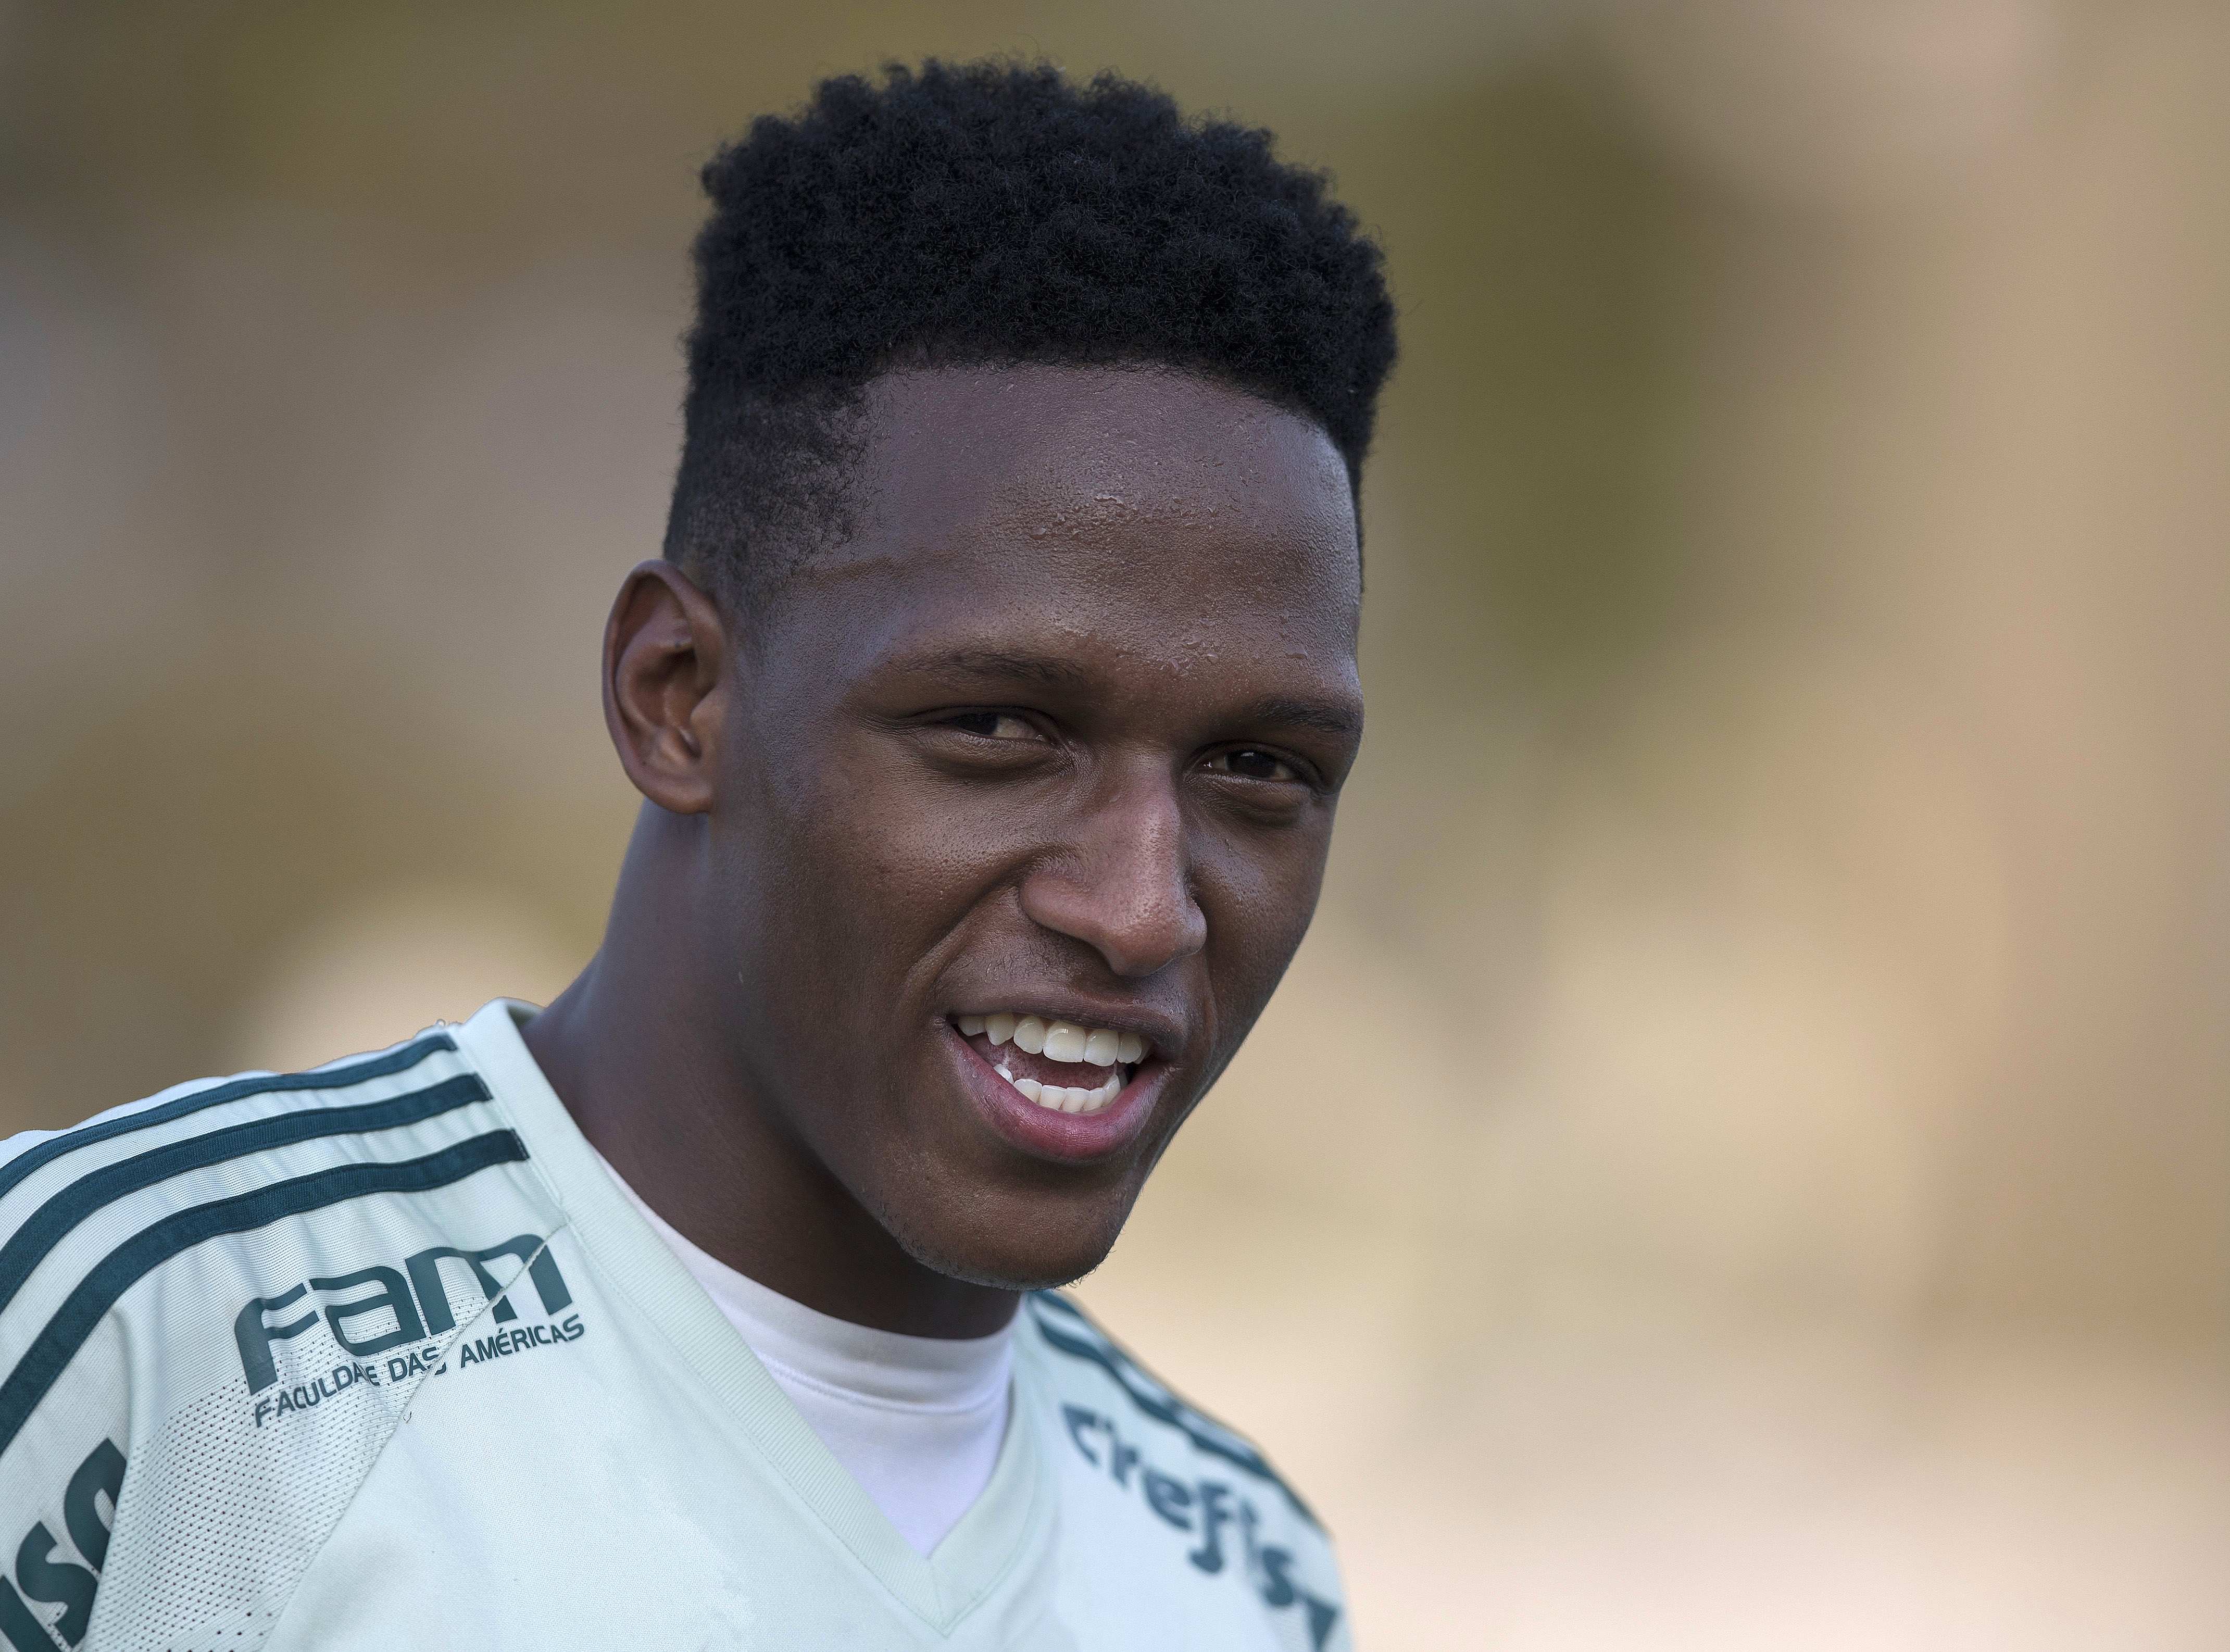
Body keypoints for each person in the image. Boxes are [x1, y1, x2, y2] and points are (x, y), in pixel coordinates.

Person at [0, 60, 1394, 1651]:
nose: (1144, 903)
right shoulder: (132, 1335)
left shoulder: (1246, 1576)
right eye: (1000, 728)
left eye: (1260, 767)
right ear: (680, 699)